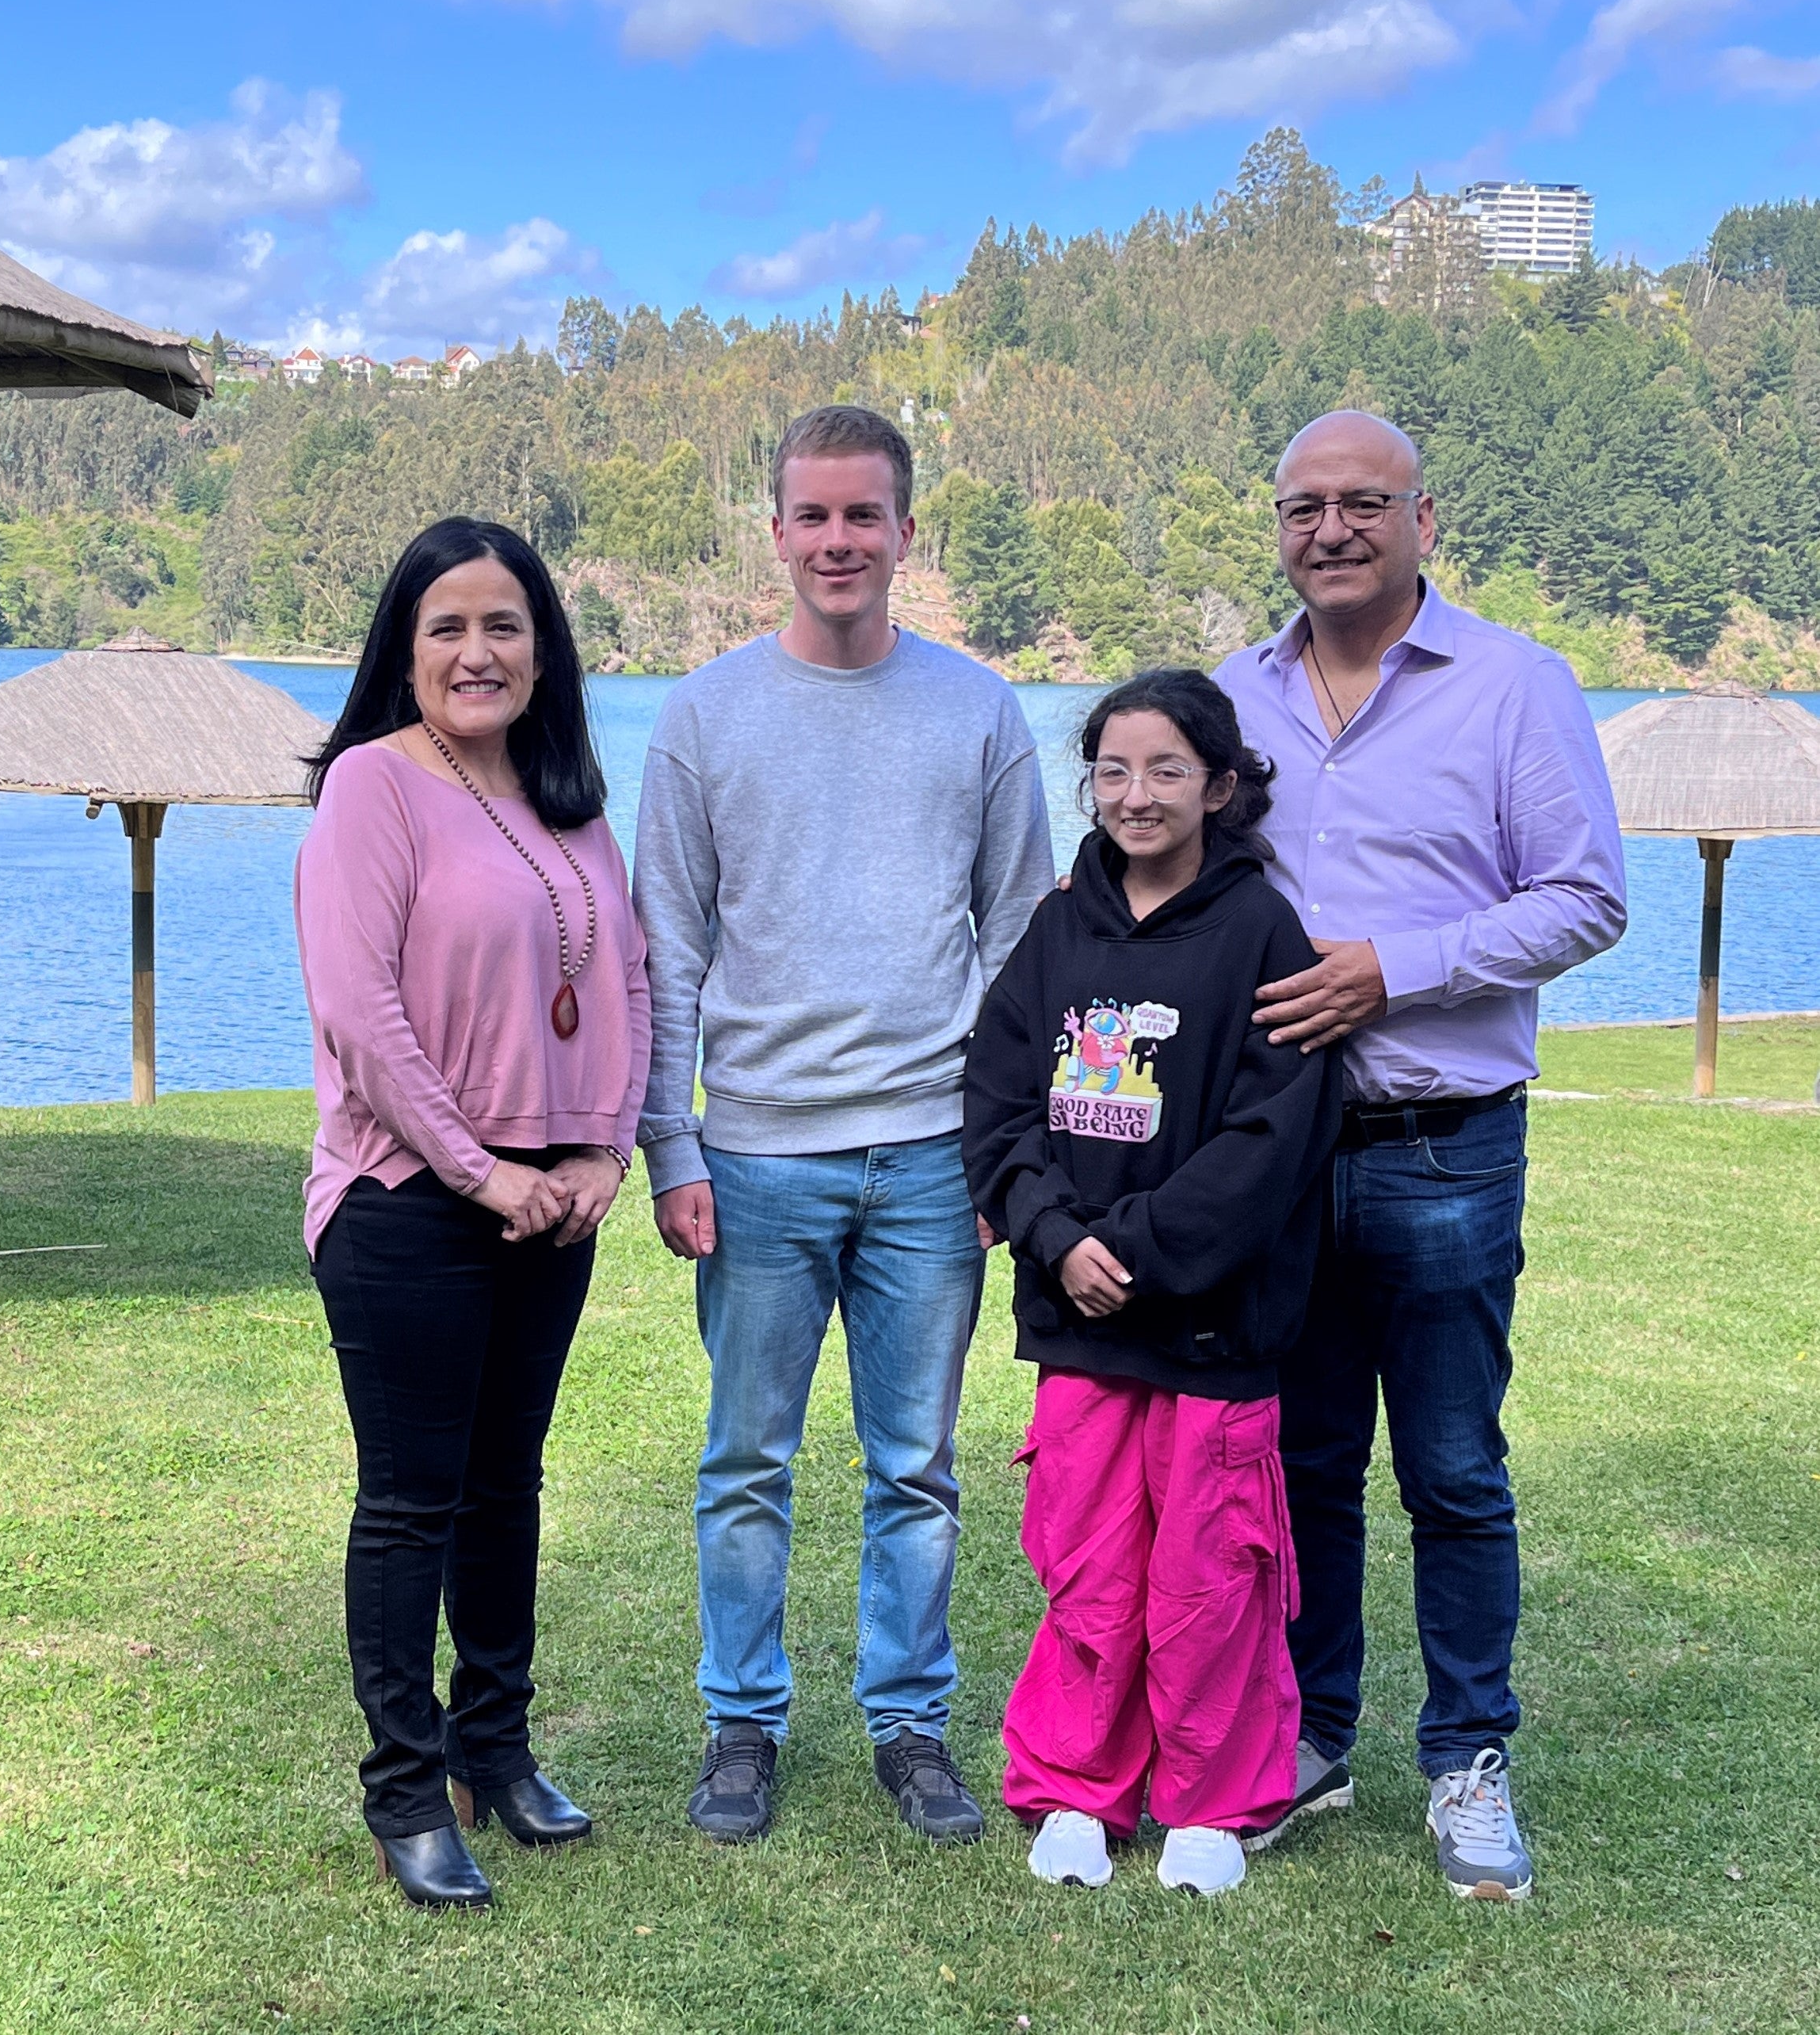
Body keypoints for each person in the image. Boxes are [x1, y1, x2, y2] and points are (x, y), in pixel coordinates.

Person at [1215, 412, 1626, 1901]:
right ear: (1278, 525)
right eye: (1303, 507)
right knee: (1304, 1464)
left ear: (1423, 519)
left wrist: (1400, 967)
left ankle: (1465, 1759)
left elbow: (1585, 897)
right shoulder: (1229, 701)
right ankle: (1314, 1734)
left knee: (1453, 1469)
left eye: (1362, 504)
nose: (1331, 529)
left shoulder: (1516, 686)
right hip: (1274, 1155)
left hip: (1443, 1146)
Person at [633, 403, 1054, 1845]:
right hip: (755, 1152)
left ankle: (911, 1723)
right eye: (812, 516)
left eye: (862, 515)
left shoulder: (980, 712)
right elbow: (666, 946)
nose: (837, 541)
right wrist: (670, 1144)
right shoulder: (705, 714)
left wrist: (1010, 1155)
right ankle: (741, 1724)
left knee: (915, 1465)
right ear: (776, 534)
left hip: (935, 1156)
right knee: (744, 1459)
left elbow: (1023, 949)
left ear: (904, 533)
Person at [296, 517, 650, 1910]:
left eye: (504, 624)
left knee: (510, 1483)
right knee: (411, 1502)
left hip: (555, 1199)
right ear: (405, 647)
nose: (476, 651)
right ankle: (403, 1788)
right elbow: (360, 1015)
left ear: (546, 649)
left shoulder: (569, 798)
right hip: (410, 1205)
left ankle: (494, 1750)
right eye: (445, 626)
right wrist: (481, 1169)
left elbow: (627, 982)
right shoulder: (372, 790)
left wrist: (607, 1156)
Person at [963, 669, 1342, 1898]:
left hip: (1211, 1326)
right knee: (1088, 1558)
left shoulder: (1262, 934)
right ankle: (1076, 1787)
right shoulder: (1061, 924)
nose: (1137, 795)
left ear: (1219, 787)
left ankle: (1209, 1803)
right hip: (1080, 1320)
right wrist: (1054, 1234)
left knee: (1209, 1571)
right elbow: (1001, 1097)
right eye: (1114, 771)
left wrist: (1138, 1247)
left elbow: (1273, 1135)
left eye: (1167, 770)